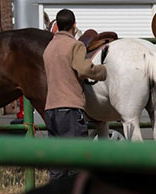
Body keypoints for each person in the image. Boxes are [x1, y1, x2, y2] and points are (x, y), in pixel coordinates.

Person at [43, 9, 107, 180]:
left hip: (51, 110)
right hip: (69, 109)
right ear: (74, 25)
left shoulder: (49, 48)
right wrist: (103, 71)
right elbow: (84, 68)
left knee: (57, 164)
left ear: (56, 26)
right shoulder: (75, 45)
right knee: (77, 163)